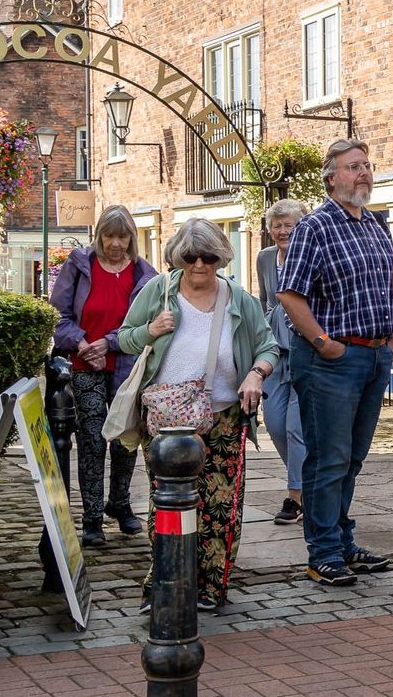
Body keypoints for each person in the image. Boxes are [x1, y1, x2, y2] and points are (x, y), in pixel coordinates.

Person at [118, 217, 278, 611]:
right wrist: (151, 330)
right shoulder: (158, 291)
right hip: (168, 419)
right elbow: (124, 338)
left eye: (209, 257)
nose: (200, 265)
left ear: (221, 258)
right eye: (191, 257)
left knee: (219, 506)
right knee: (166, 507)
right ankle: (162, 587)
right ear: (178, 258)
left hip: (223, 415)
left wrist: (256, 375)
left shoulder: (238, 298)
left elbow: (268, 346)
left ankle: (208, 588)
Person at [278, 139, 393, 587]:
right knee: (327, 460)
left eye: (367, 165)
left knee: (351, 460)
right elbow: (290, 293)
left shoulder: (375, 225)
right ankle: (323, 551)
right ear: (331, 178)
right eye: (353, 167)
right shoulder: (315, 227)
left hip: (374, 355)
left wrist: (391, 337)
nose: (364, 173)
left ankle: (343, 541)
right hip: (331, 360)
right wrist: (324, 342)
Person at [50, 205, 156, 546]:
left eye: (122, 236)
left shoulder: (144, 274)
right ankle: (92, 517)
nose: (115, 243)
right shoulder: (80, 265)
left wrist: (108, 343)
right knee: (93, 439)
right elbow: (58, 313)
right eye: (109, 236)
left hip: (126, 365)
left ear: (131, 238)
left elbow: (144, 324)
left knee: (125, 438)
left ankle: (120, 504)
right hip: (85, 366)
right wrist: (82, 343)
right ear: (99, 236)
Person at [256, 198, 309, 525]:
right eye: (277, 225)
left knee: (295, 427)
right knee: (275, 424)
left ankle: (296, 496)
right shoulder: (264, 259)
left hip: (305, 351)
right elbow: (264, 300)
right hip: (276, 354)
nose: (283, 230)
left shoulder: (312, 256)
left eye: (289, 224)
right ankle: (310, 483)